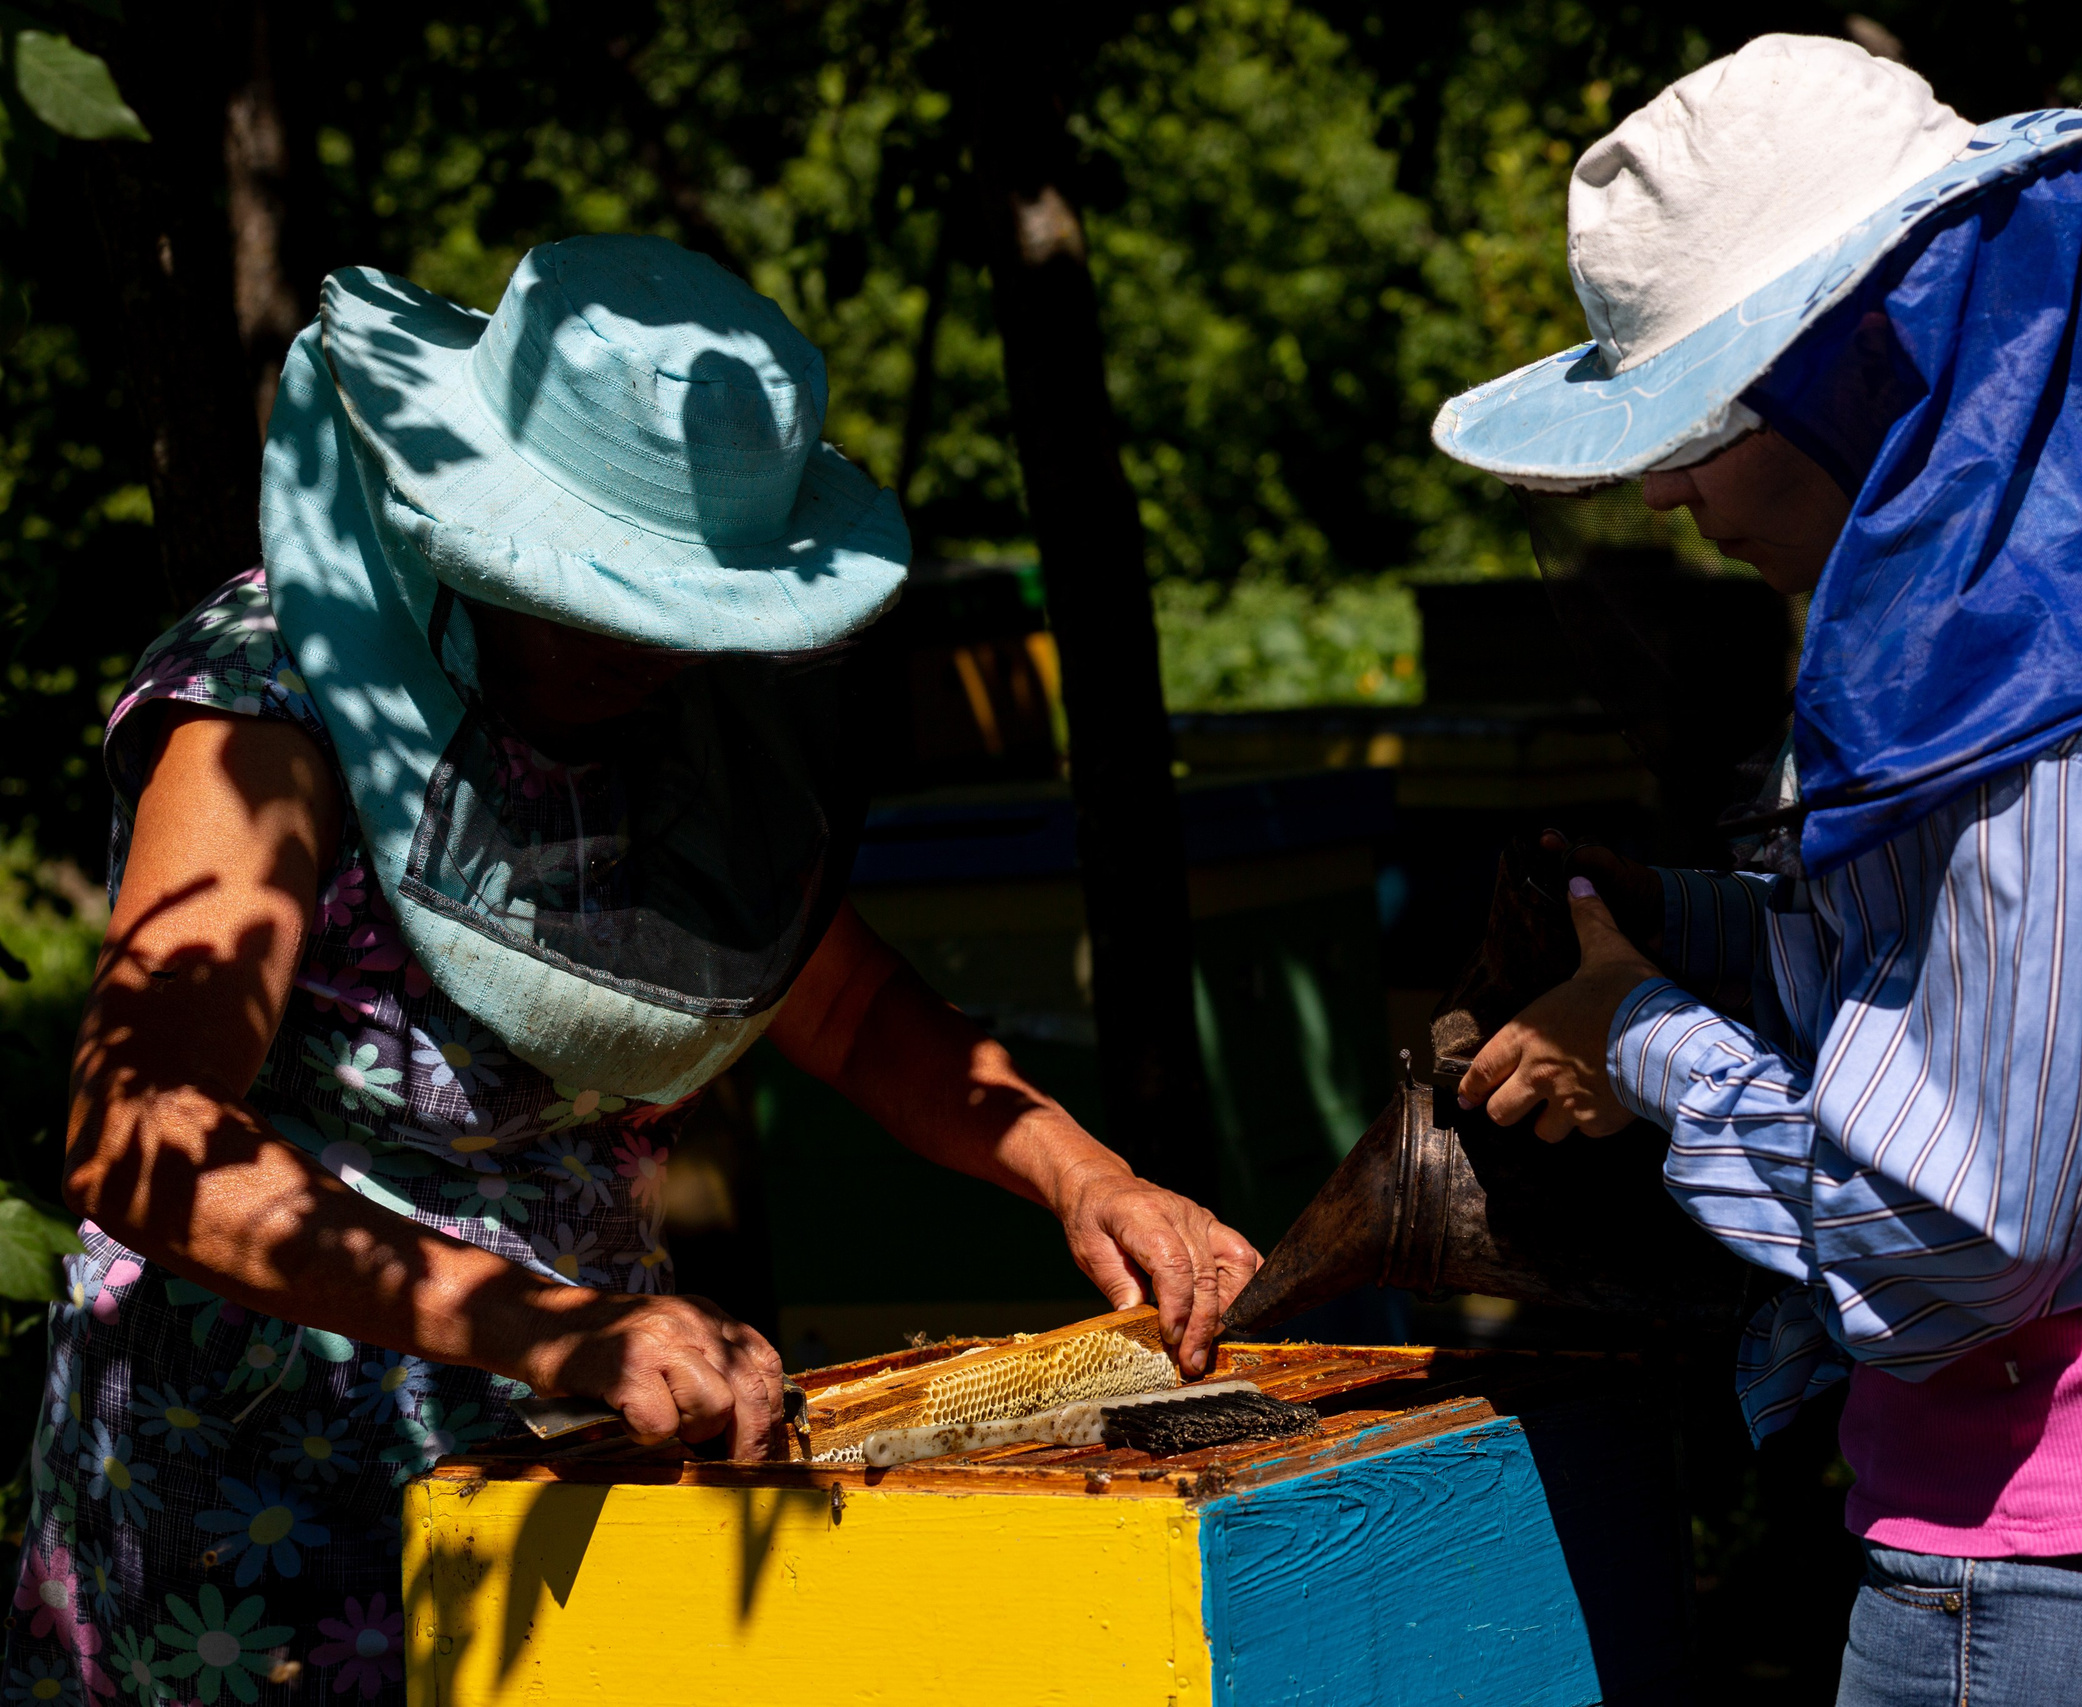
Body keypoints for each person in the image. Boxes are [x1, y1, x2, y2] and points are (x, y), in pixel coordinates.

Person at [5, 236, 1257, 1702]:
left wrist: (1082, 1172)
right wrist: (546, 1323)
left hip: (594, 1459)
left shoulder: (690, 724)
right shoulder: (262, 706)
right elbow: (140, 1135)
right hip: (260, 1509)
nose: (656, 648)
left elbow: (839, 1004)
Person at [1434, 36, 2082, 1706]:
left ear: (1860, 358)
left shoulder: (2022, 727)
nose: (1665, 488)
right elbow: (2073, 1007)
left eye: (1704, 414)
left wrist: (1645, 1043)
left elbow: (1939, 1245)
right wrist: (1689, 927)